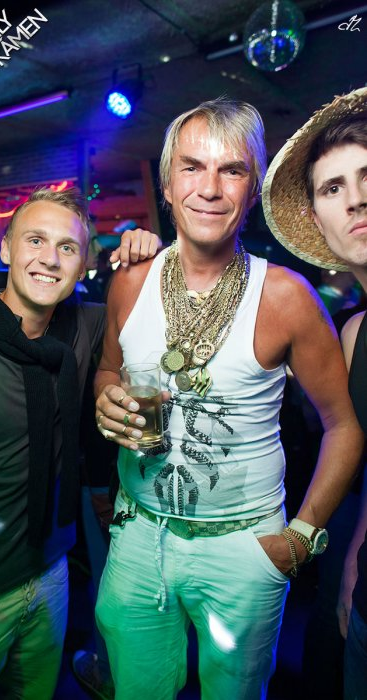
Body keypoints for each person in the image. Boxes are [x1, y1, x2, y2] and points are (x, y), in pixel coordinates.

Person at [94, 97, 364, 700]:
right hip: (138, 537)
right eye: (192, 167)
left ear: (253, 188)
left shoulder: (288, 297)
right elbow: (108, 369)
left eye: (232, 170)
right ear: (167, 185)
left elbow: (344, 425)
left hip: (244, 549)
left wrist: (301, 538)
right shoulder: (130, 280)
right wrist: (106, 398)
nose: (210, 188)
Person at [0, 187, 160, 700]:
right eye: (35, 240)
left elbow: (156, 305)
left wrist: (148, 252)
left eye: (67, 247)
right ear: (5, 248)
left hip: (52, 571)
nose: (49, 258)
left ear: (83, 263)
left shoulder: (83, 326)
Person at [262, 86, 367, 700]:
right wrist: (352, 558)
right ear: (319, 220)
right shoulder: (353, 335)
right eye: (333, 187)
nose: (356, 198)